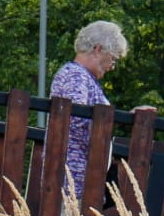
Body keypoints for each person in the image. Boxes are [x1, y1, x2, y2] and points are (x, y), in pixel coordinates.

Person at [49, 19, 126, 197]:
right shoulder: (76, 76)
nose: (112, 66)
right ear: (99, 49)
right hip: (73, 184)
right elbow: (77, 121)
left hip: (79, 182)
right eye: (112, 58)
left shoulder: (81, 77)